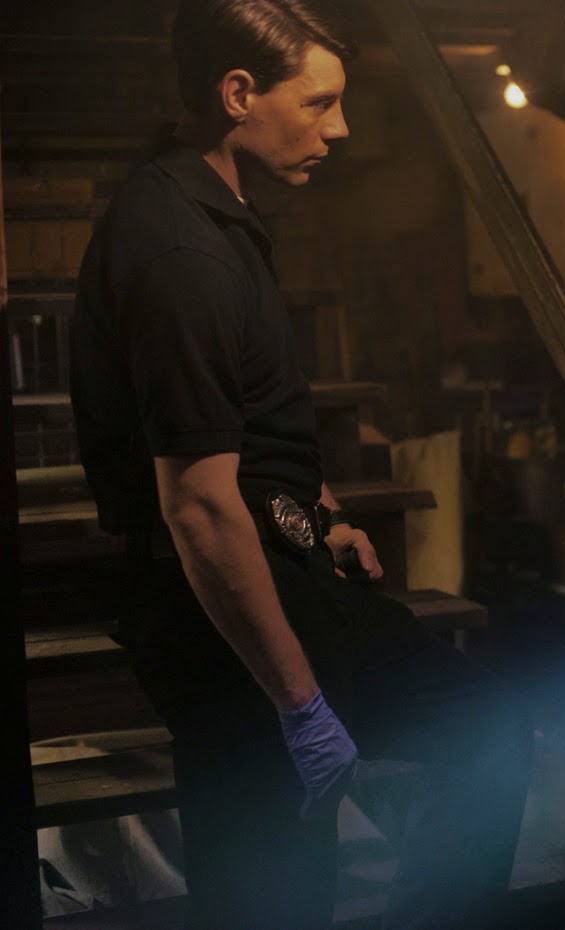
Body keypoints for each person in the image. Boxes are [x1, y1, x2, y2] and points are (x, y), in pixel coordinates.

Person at [69, 2, 532, 927]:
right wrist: (300, 707)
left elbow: (250, 422)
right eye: (319, 103)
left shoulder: (218, 213)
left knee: (482, 727)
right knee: (272, 899)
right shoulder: (180, 251)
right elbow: (199, 506)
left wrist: (320, 514)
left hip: (291, 567)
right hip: (224, 619)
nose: (341, 127)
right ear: (238, 93)